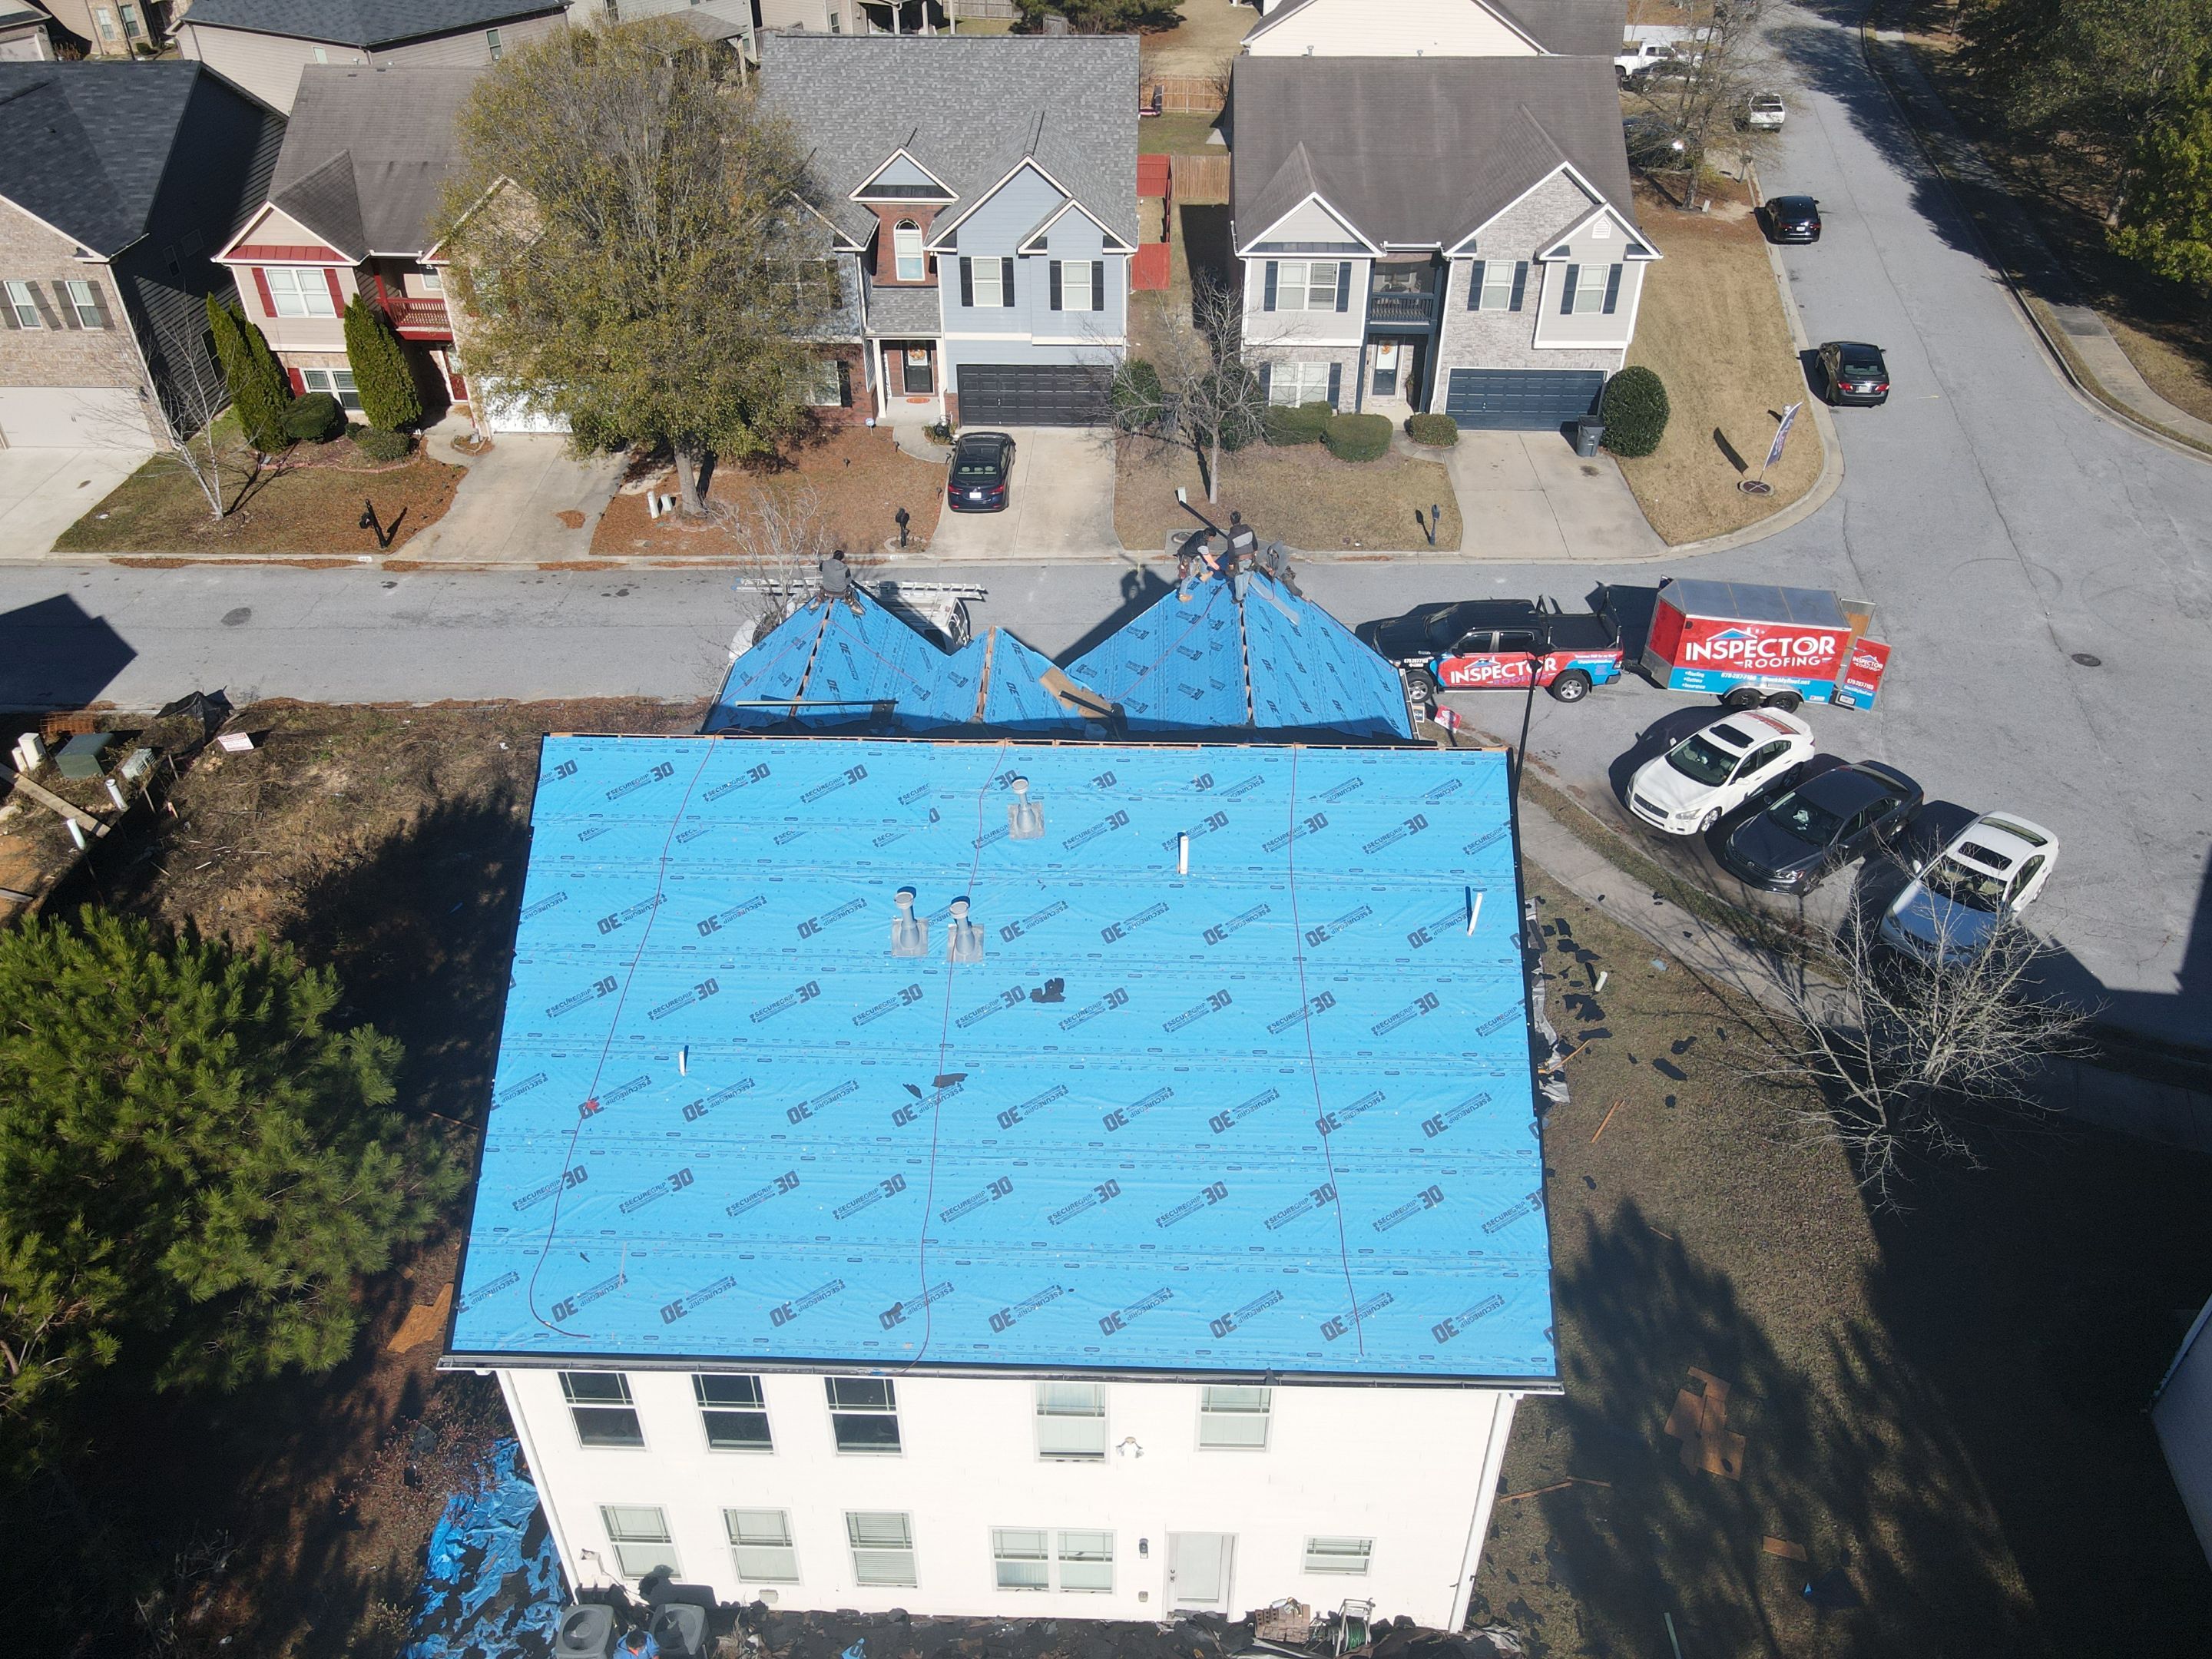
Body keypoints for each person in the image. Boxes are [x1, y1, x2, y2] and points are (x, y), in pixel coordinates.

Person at [816, 548, 864, 616]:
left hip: (827, 592)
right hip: (840, 594)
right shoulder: (845, 568)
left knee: (823, 588)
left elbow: (821, 569)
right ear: (842, 558)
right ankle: (853, 606)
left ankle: (818, 600)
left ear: (833, 556)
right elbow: (848, 582)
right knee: (851, 591)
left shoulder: (824, 564)